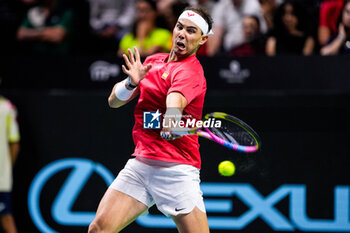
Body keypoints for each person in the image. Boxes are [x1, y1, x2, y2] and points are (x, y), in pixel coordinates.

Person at [88, 6, 213, 233]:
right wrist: (131, 83)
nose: (182, 34)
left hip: (177, 169)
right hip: (142, 165)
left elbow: (174, 102)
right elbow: (113, 102)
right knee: (98, 229)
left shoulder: (190, 73)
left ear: (202, 39)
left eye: (191, 31)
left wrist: (172, 120)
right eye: (179, 27)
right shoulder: (153, 62)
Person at [0, 77, 20, 233]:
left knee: (6, 217)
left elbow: (14, 143)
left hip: (1, 179)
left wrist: (5, 170)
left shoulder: (7, 108)